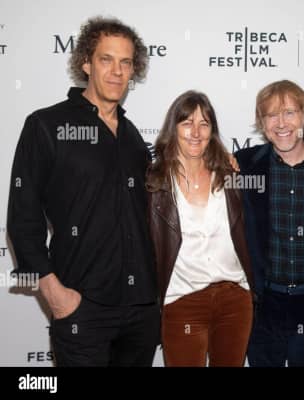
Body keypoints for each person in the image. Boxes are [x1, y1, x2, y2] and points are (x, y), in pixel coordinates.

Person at [7, 17, 160, 366]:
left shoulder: (133, 137)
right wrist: (54, 293)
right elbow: (23, 216)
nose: (117, 71)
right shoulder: (46, 125)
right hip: (82, 308)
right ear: (86, 63)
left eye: (126, 62)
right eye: (106, 59)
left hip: (141, 310)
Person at [235, 80, 304, 367]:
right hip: (263, 307)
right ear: (262, 123)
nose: (281, 123)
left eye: (289, 112)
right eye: (271, 115)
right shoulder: (243, 165)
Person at [146, 90, 254, 367]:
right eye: (187, 123)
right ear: (173, 129)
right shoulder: (154, 183)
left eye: (204, 124)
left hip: (235, 299)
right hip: (182, 301)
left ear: (212, 131)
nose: (195, 132)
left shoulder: (231, 176)